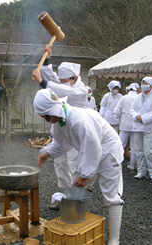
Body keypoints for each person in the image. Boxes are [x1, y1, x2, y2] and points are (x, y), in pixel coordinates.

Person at [34, 88, 124, 245]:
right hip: (93, 152)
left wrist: (85, 175)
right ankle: (79, 223)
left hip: (108, 152)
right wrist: (46, 153)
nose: (47, 120)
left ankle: (114, 240)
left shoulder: (78, 119)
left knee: (111, 197)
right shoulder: (60, 120)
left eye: (47, 116)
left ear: (53, 110)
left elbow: (93, 147)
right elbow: (60, 144)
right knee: (77, 189)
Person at [32, 44, 88, 210]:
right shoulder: (66, 83)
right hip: (61, 131)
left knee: (74, 166)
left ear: (73, 78)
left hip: (76, 133)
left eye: (64, 81)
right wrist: (47, 58)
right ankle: (64, 197)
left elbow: (55, 86)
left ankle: (76, 201)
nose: (61, 83)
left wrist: (42, 82)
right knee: (61, 166)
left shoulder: (81, 91)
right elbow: (55, 80)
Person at [129, 77, 152, 183]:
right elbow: (132, 109)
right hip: (138, 126)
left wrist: (144, 118)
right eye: (143, 83)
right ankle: (141, 171)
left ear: (151, 85)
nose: (144, 85)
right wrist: (137, 116)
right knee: (138, 150)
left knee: (149, 151)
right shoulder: (138, 96)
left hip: (149, 127)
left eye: (146, 83)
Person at [114, 83, 139, 171]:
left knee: (120, 144)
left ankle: (117, 163)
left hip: (125, 124)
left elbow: (116, 111)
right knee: (134, 145)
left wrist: (120, 117)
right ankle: (132, 165)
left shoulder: (124, 98)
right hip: (136, 124)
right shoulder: (139, 98)